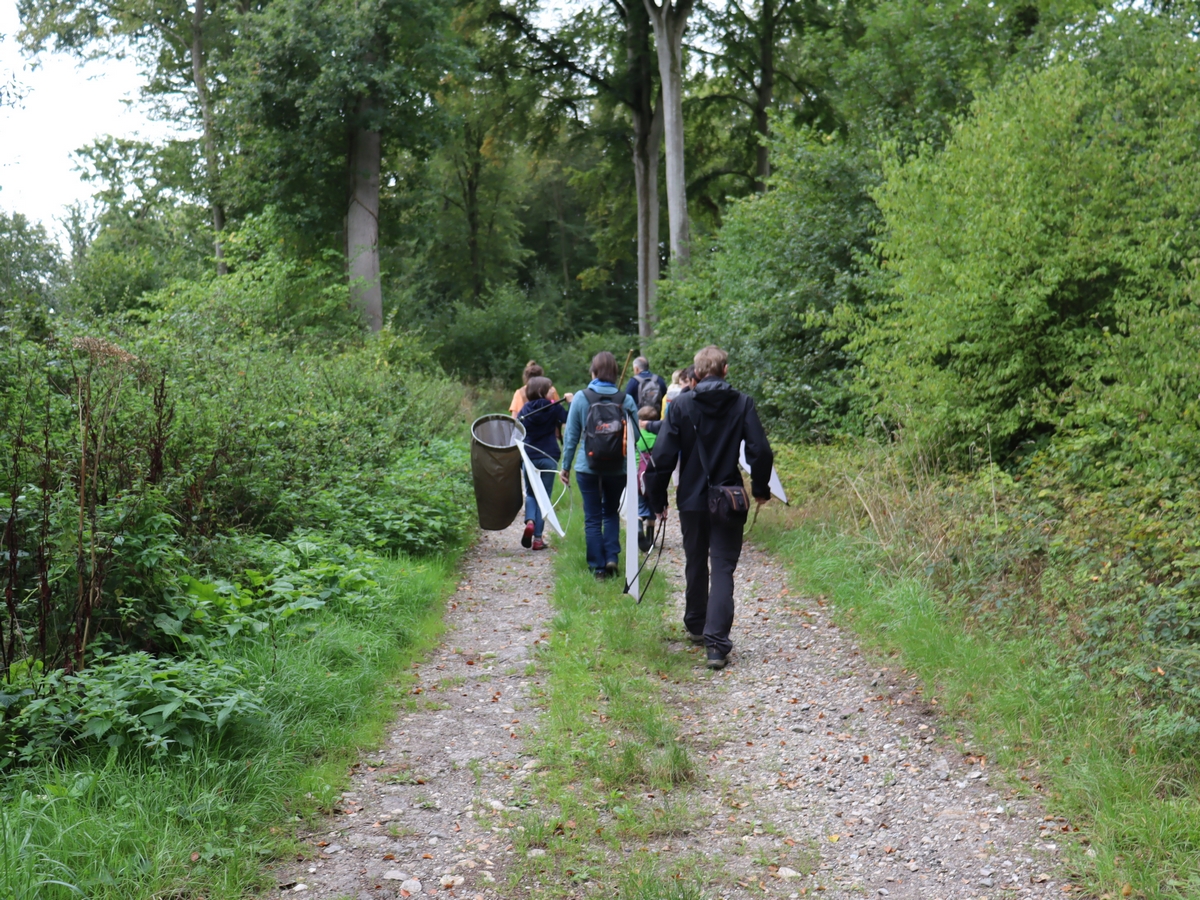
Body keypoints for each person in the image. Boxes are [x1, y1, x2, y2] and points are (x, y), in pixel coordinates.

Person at [646, 345, 774, 670]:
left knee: (695, 561)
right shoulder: (742, 403)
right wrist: (760, 489)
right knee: (722, 568)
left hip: (691, 499)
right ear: (725, 370)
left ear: (697, 373)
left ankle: (695, 624)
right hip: (728, 500)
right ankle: (716, 645)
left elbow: (662, 458)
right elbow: (760, 450)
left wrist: (656, 499)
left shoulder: (680, 406)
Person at [560, 351, 640, 580]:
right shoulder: (626, 400)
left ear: (593, 372)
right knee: (611, 512)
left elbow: (571, 436)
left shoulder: (581, 398)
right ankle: (612, 556)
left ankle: (599, 568)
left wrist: (565, 466)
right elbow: (634, 437)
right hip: (618, 468)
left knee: (593, 516)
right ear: (615, 373)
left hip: (588, 467)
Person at [517, 376, 567, 551]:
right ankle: (538, 539)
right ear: (542, 391)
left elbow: (517, 430)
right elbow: (567, 418)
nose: (553, 390)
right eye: (550, 388)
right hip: (548, 456)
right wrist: (570, 402)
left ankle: (530, 520)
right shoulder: (554, 408)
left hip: (529, 456)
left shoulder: (525, 409)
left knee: (531, 493)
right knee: (543, 497)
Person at [635, 405, 660, 552]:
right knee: (653, 505)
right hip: (653, 477)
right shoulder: (658, 437)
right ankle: (651, 540)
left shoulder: (637, 437)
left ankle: (638, 526)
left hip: (639, 477)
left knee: (640, 505)